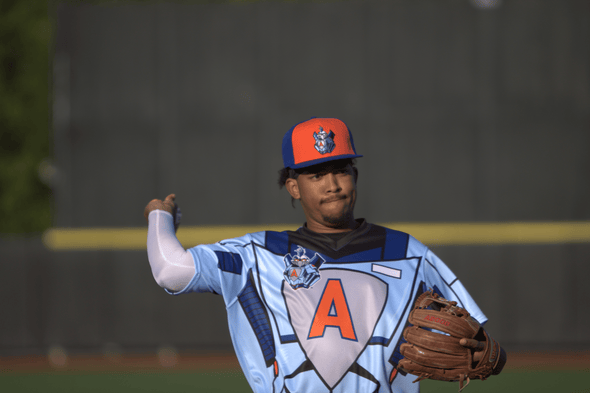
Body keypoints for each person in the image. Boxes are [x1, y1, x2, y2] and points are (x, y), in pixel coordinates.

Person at [144, 117, 503, 392]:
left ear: (355, 175)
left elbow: (478, 340)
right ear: (293, 187)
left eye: (341, 171)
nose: (332, 185)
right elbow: (171, 271)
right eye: (316, 174)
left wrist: (490, 356)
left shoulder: (408, 254)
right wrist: (159, 216)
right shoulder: (256, 256)